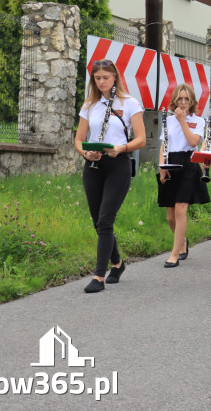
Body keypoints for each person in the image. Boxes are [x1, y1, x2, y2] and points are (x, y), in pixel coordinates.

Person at [74, 59, 146, 294]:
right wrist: (86, 152)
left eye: (106, 77)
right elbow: (79, 138)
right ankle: (117, 264)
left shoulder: (129, 103)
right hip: (94, 164)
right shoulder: (89, 105)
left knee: (106, 220)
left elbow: (141, 139)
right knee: (98, 222)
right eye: (97, 78)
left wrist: (121, 148)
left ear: (115, 77)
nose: (102, 82)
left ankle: (98, 276)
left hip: (118, 163)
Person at [158, 83, 210, 267]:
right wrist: (161, 166)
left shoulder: (198, 120)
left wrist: (182, 121)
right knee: (170, 216)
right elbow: (164, 143)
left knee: (181, 209)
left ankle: (174, 254)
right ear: (174, 100)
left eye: (186, 99)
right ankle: (182, 242)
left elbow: (193, 141)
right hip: (170, 162)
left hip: (188, 163)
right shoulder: (168, 120)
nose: (183, 102)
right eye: (180, 98)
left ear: (192, 101)